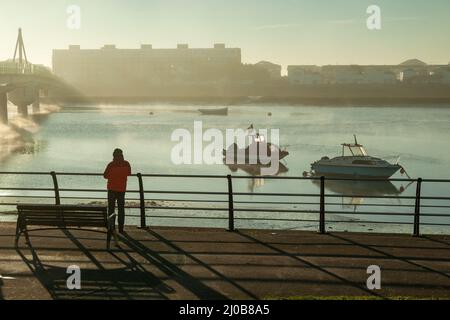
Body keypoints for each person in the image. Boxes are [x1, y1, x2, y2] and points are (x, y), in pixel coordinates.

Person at [103, 148, 132, 233]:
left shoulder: (111, 164)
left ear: (113, 155)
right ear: (122, 155)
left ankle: (111, 227)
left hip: (111, 189)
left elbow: (105, 175)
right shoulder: (126, 164)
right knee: (121, 209)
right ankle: (121, 228)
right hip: (121, 189)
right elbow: (129, 173)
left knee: (111, 209)